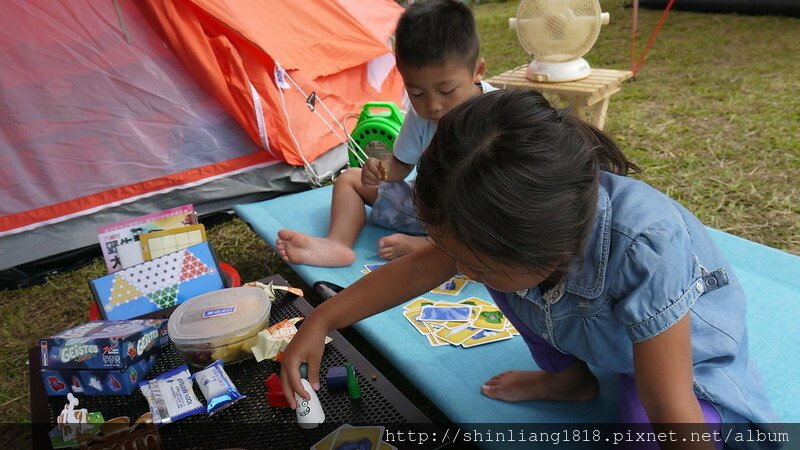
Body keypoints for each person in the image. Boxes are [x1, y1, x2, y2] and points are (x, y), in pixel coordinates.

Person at [280, 90, 779, 449]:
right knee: (511, 288)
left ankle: (600, 377)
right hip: (590, 325)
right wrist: (322, 320)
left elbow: (670, 404)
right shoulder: (506, 225)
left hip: (684, 355)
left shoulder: (648, 246)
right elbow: (415, 271)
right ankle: (570, 380)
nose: (462, 273)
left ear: (550, 251)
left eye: (474, 264)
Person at [276, 0, 497, 267]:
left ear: (477, 71)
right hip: (427, 207)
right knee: (349, 179)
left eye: (447, 91)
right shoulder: (421, 116)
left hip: (476, 219)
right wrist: (381, 169)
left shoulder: (498, 112)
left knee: (498, 218)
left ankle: (429, 248)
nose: (432, 105)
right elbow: (402, 163)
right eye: (416, 93)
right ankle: (338, 243)